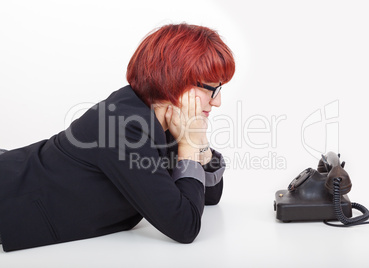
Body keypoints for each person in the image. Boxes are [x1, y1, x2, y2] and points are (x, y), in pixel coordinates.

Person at [0, 23, 235, 252]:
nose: (217, 101)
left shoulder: (163, 117)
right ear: (174, 81)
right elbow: (185, 225)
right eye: (210, 89)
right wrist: (188, 145)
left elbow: (209, 195)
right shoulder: (123, 126)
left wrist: (196, 142)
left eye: (219, 88)